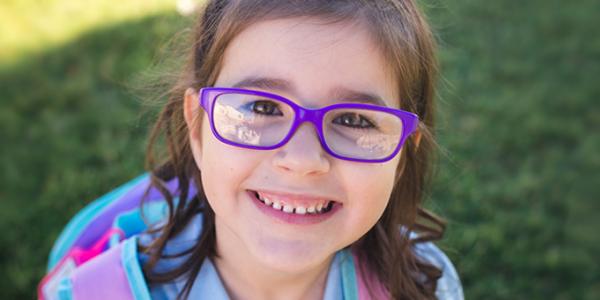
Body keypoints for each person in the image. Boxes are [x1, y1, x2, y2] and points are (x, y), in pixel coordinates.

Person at [39, 0, 463, 299]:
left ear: (402, 153)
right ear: (198, 127)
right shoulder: (93, 294)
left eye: (353, 119)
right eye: (262, 107)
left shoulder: (425, 285)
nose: (301, 160)